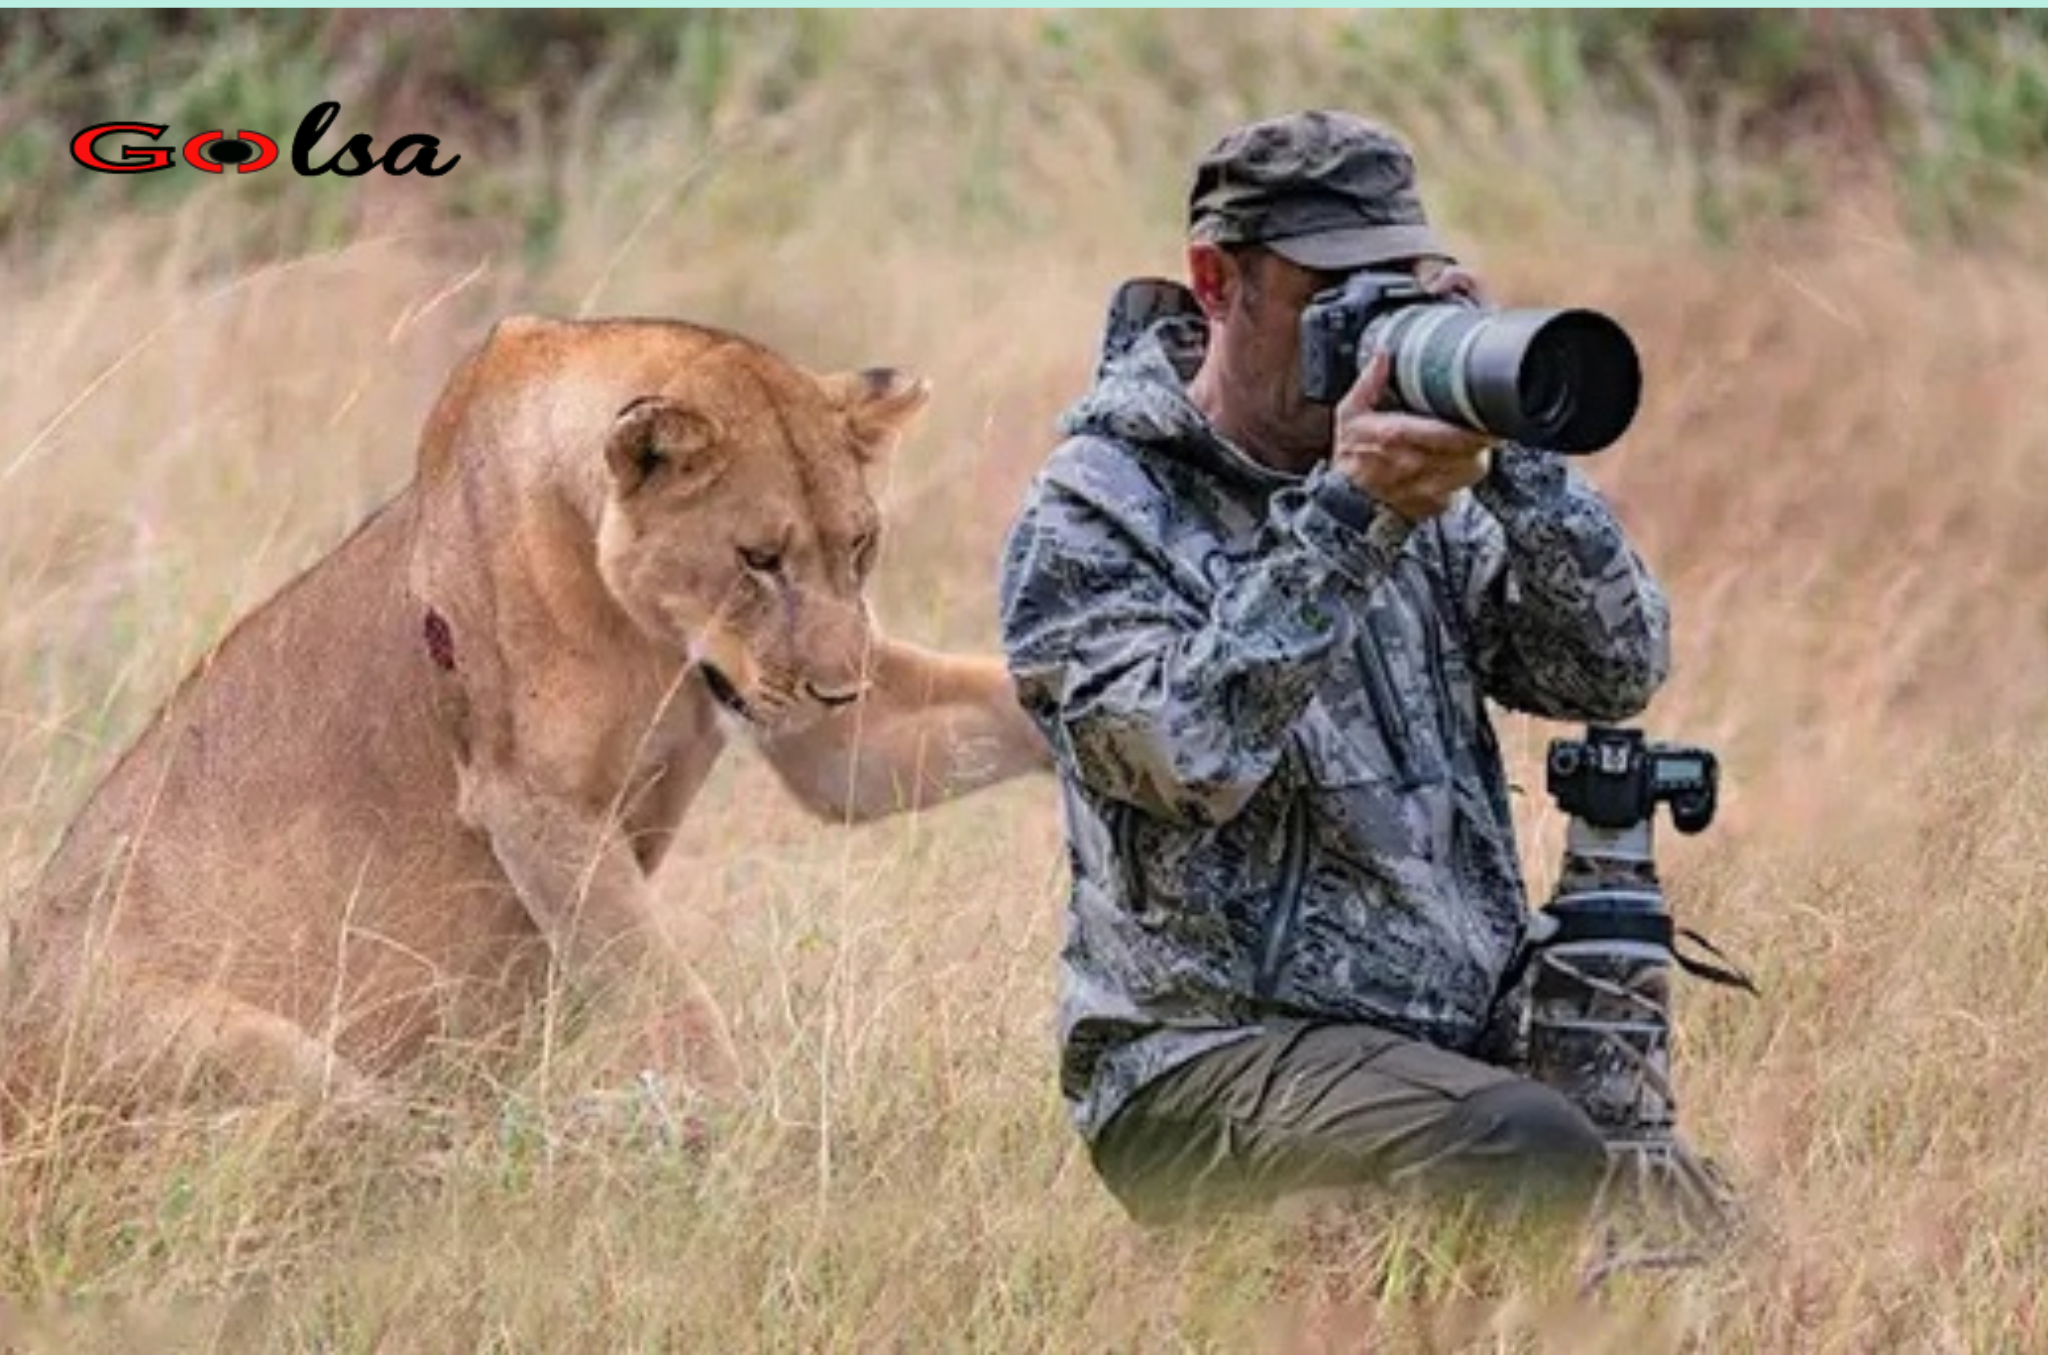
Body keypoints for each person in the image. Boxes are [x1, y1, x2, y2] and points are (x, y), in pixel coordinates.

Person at [996, 110, 1673, 1226]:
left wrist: (1514, 459)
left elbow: (1612, 667)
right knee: (1523, 1144)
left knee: (1683, 1221)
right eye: (1331, 297)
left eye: (1394, 294)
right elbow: (1188, 757)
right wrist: (1352, 515)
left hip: (1440, 1052)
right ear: (1216, 283)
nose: (1367, 336)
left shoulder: (1422, 488)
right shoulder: (1097, 506)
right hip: (1199, 1061)